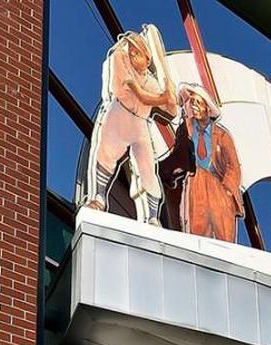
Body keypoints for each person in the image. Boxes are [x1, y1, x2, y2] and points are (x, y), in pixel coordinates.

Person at [82, 29, 176, 226]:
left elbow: (172, 110)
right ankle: (98, 198)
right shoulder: (120, 58)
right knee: (106, 152)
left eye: (138, 52)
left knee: (147, 167)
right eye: (131, 50)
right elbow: (138, 94)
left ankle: (151, 216)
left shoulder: (150, 80)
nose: (132, 54)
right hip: (119, 112)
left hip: (140, 122)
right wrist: (162, 98)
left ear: (147, 59)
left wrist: (169, 93)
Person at [158, 83, 243, 241]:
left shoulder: (222, 135)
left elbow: (233, 167)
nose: (194, 106)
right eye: (191, 102)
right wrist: (161, 170)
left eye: (198, 102)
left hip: (219, 188)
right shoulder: (187, 130)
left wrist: (227, 191)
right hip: (196, 184)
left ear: (208, 109)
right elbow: (179, 156)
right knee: (198, 235)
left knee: (225, 241)